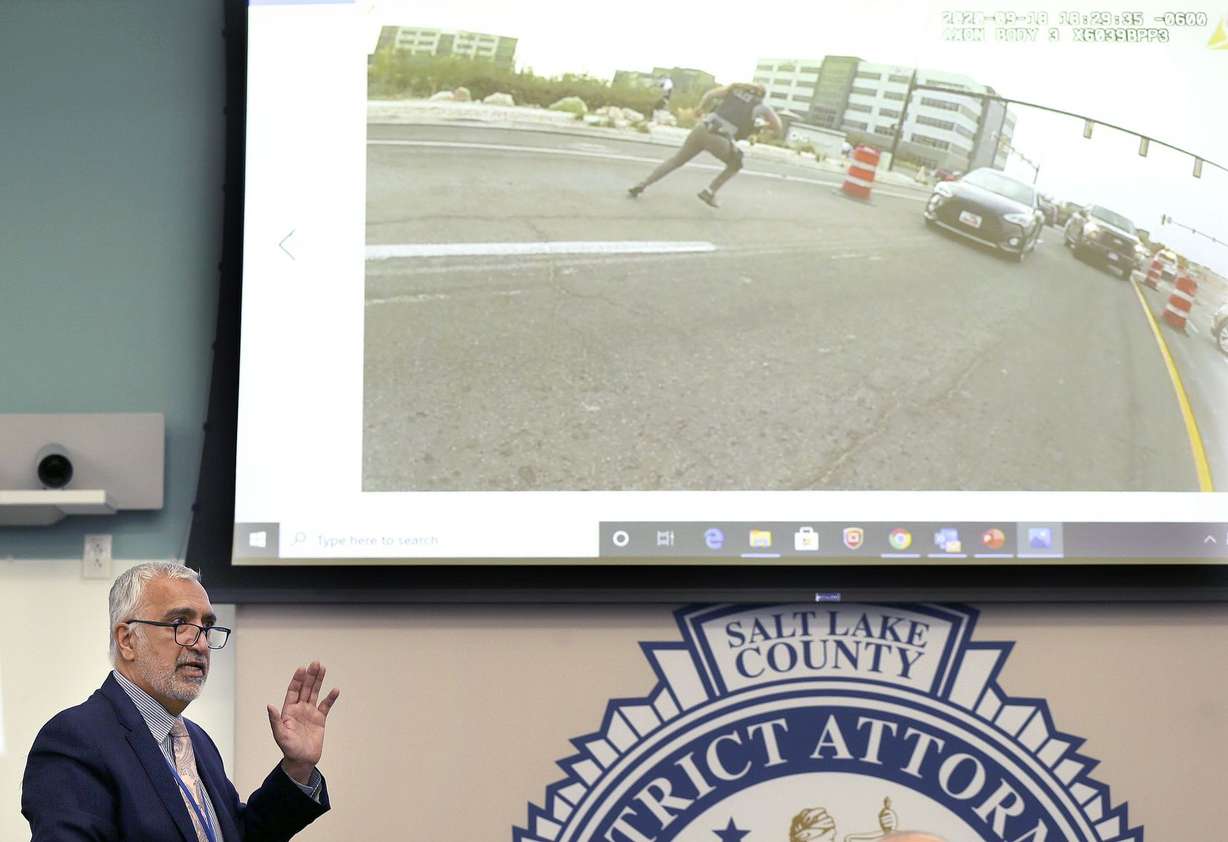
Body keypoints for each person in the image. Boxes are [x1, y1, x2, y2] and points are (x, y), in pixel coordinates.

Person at [22, 561, 341, 841]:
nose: (200, 643)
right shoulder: (76, 739)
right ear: (127, 639)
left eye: (207, 627)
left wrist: (298, 767)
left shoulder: (196, 741)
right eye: (180, 624)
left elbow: (237, 835)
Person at [627, 82, 782, 208]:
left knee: (676, 161)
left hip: (701, 129)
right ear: (762, 95)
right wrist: (762, 127)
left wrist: (700, 109)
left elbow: (709, 95)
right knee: (736, 163)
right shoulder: (761, 106)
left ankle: (643, 184)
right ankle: (710, 191)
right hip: (719, 137)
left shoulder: (732, 91)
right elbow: (778, 127)